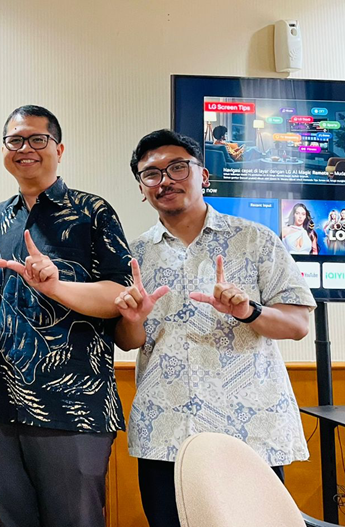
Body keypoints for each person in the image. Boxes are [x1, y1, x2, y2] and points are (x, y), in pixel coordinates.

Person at [115, 129, 313, 527]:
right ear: (141, 188)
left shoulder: (255, 240)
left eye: (177, 168)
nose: (165, 180)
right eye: (151, 174)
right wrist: (132, 321)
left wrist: (248, 311)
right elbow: (127, 342)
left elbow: (298, 324)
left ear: (203, 175)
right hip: (165, 430)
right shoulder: (133, 256)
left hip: (248, 428)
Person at [0, 105, 132, 527]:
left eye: (38, 139)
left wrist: (56, 286)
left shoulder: (92, 212)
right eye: (15, 140)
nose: (26, 149)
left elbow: (120, 295)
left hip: (73, 407)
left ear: (59, 149)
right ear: (4, 150)